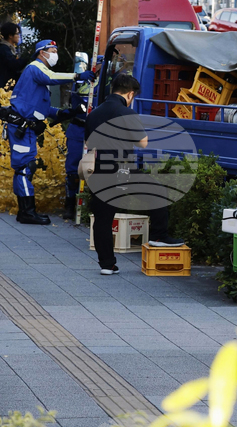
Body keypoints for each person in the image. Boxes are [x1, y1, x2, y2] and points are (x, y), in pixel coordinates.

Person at [85, 73, 184, 275]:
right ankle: (158, 236)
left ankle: (107, 265)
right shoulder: (126, 113)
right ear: (130, 94)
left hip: (98, 170)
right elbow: (143, 142)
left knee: (103, 218)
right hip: (122, 170)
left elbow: (88, 143)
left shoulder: (94, 113)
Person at [6, 40, 95, 224]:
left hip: (25, 128)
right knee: (24, 168)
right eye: (52, 50)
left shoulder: (37, 78)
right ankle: (27, 213)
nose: (55, 53)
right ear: (42, 52)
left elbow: (42, 108)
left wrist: (66, 112)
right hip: (22, 127)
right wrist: (78, 76)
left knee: (25, 168)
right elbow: (52, 77)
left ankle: (25, 212)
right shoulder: (36, 68)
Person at [62, 80, 90, 219]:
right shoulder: (81, 79)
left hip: (97, 130)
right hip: (78, 129)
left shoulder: (110, 78)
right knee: (73, 171)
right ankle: (69, 204)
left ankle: (88, 206)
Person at [0, 22, 30, 91]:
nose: (19, 36)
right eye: (17, 33)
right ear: (10, 35)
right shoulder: (4, 49)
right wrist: (27, 57)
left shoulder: (10, 48)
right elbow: (14, 65)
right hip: (5, 90)